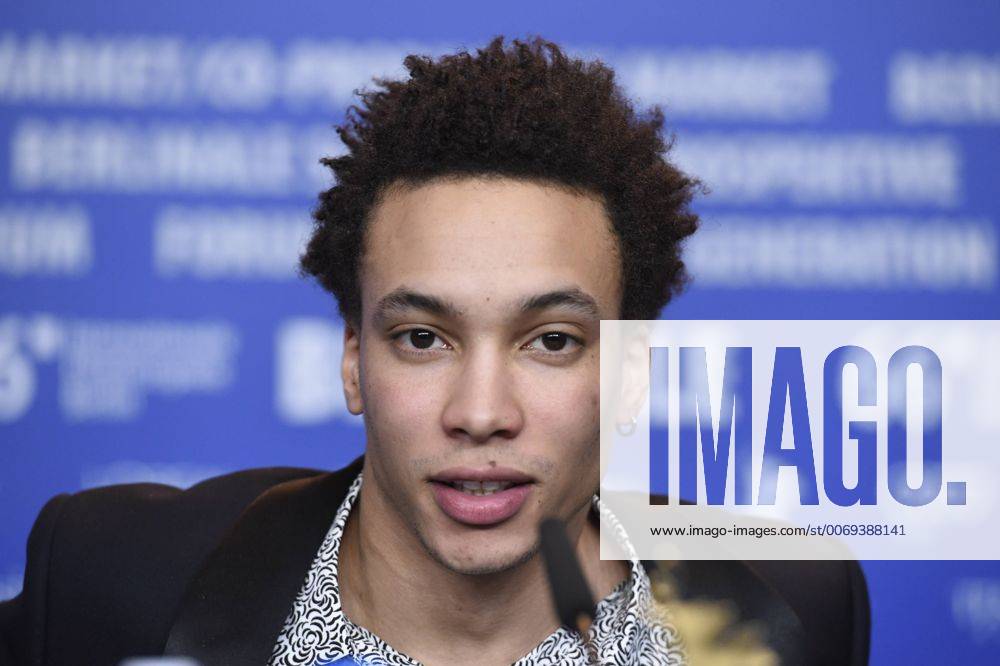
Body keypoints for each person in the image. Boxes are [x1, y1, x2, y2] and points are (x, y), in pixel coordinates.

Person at [0, 36, 869, 666]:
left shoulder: (793, 602)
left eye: (552, 342)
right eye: (422, 338)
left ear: (633, 373)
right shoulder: (112, 578)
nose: (481, 412)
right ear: (352, 360)